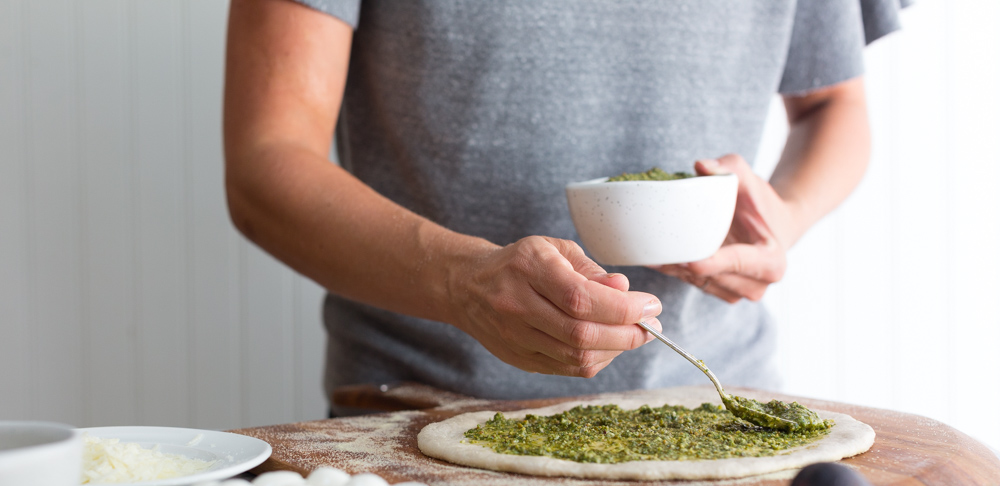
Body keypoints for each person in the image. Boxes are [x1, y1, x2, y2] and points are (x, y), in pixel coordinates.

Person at [223, 0, 907, 416]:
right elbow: (266, 159)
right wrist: (462, 284)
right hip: (414, 428)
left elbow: (832, 107)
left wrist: (782, 214)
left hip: (726, 412)